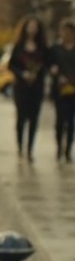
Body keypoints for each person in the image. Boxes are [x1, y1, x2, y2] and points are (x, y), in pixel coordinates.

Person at [9, 15, 50, 161]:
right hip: (21, 87)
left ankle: (29, 150)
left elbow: (47, 64)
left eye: (35, 26)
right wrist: (22, 74)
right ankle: (20, 146)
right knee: (21, 117)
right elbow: (11, 65)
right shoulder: (19, 47)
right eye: (30, 26)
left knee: (34, 118)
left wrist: (39, 71)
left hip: (36, 87)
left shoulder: (42, 47)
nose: (32, 29)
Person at [50, 19, 75, 163]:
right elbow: (51, 65)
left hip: (73, 88)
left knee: (71, 121)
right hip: (59, 89)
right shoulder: (55, 49)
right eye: (64, 31)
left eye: (69, 32)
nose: (66, 34)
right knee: (60, 120)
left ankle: (68, 151)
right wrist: (56, 74)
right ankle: (59, 148)